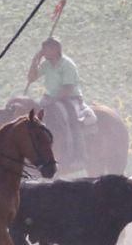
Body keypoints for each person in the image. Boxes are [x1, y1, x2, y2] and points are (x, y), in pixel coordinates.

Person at [26, 36, 92, 169]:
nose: (44, 52)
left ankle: (78, 155)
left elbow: (68, 88)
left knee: (72, 118)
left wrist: (52, 100)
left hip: (69, 98)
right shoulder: (46, 64)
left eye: (46, 49)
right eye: (43, 50)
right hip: (50, 98)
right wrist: (35, 60)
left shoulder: (67, 64)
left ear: (56, 49)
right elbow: (31, 78)